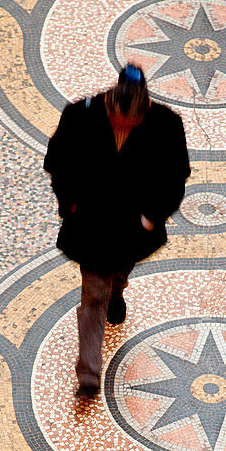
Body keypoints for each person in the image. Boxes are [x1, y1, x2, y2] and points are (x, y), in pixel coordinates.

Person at [44, 64, 191, 396]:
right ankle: (89, 373)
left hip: (134, 226)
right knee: (93, 294)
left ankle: (118, 291)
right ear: (109, 105)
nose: (122, 127)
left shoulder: (167, 125)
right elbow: (57, 162)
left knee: (119, 273)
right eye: (117, 122)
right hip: (92, 223)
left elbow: (176, 176)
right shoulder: (79, 116)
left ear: (144, 111)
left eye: (130, 124)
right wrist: (70, 204)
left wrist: (153, 216)